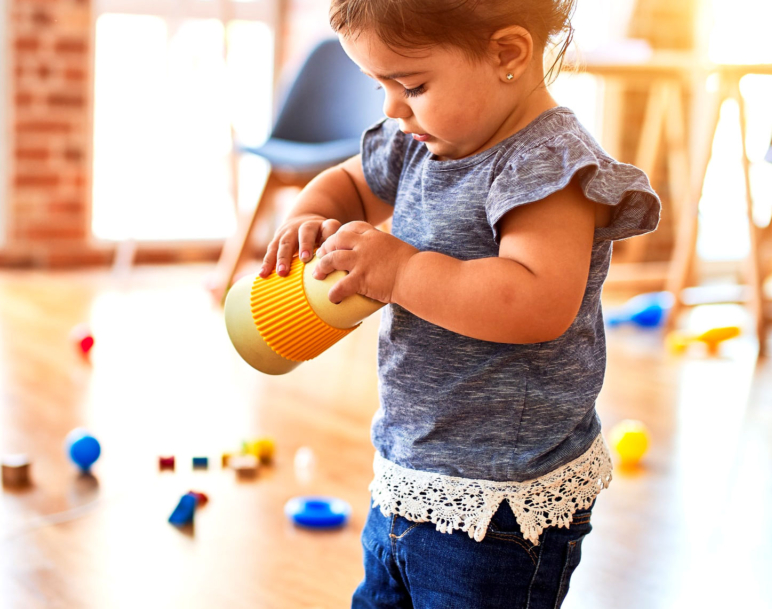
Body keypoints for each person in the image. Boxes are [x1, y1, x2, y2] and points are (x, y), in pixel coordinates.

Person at [258, 0, 661, 606]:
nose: (392, 108)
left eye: (412, 85)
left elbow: (534, 302)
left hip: (500, 499)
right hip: (411, 466)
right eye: (380, 85)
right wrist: (312, 218)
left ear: (508, 55)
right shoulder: (423, 140)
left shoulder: (544, 165)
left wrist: (401, 272)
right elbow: (345, 183)